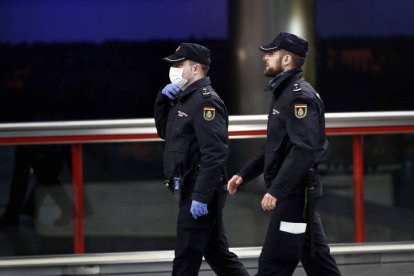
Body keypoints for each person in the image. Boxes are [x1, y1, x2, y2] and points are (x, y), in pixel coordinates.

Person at [227, 32, 342, 276]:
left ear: (287, 59)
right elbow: (276, 146)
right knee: (317, 261)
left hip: (294, 196)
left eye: (270, 53)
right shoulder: (285, 92)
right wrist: (244, 174)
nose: (265, 57)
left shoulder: (298, 96)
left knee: (273, 265)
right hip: (297, 194)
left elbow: (304, 148)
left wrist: (277, 190)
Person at [154, 42, 249, 276]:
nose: (174, 69)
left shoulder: (205, 101)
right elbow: (166, 133)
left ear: (195, 69)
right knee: (218, 254)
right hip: (190, 187)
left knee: (186, 258)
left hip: (201, 189)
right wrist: (162, 100)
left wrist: (201, 195)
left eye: (179, 64)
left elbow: (215, 152)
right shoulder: (185, 98)